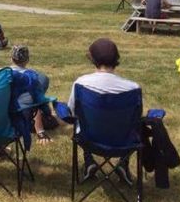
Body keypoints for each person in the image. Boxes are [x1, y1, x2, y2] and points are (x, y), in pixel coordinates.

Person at [67, 38, 140, 184]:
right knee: (137, 128)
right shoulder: (133, 88)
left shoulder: (81, 84)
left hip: (89, 140)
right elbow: (136, 118)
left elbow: (71, 112)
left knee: (82, 123)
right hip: (124, 142)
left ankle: (89, 161)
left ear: (93, 59)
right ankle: (123, 163)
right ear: (116, 59)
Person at [10, 45, 54, 144]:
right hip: (23, 115)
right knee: (43, 80)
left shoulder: (1, 73)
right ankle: (39, 128)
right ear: (27, 60)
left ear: (11, 59)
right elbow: (38, 101)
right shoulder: (33, 76)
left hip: (3, 115)